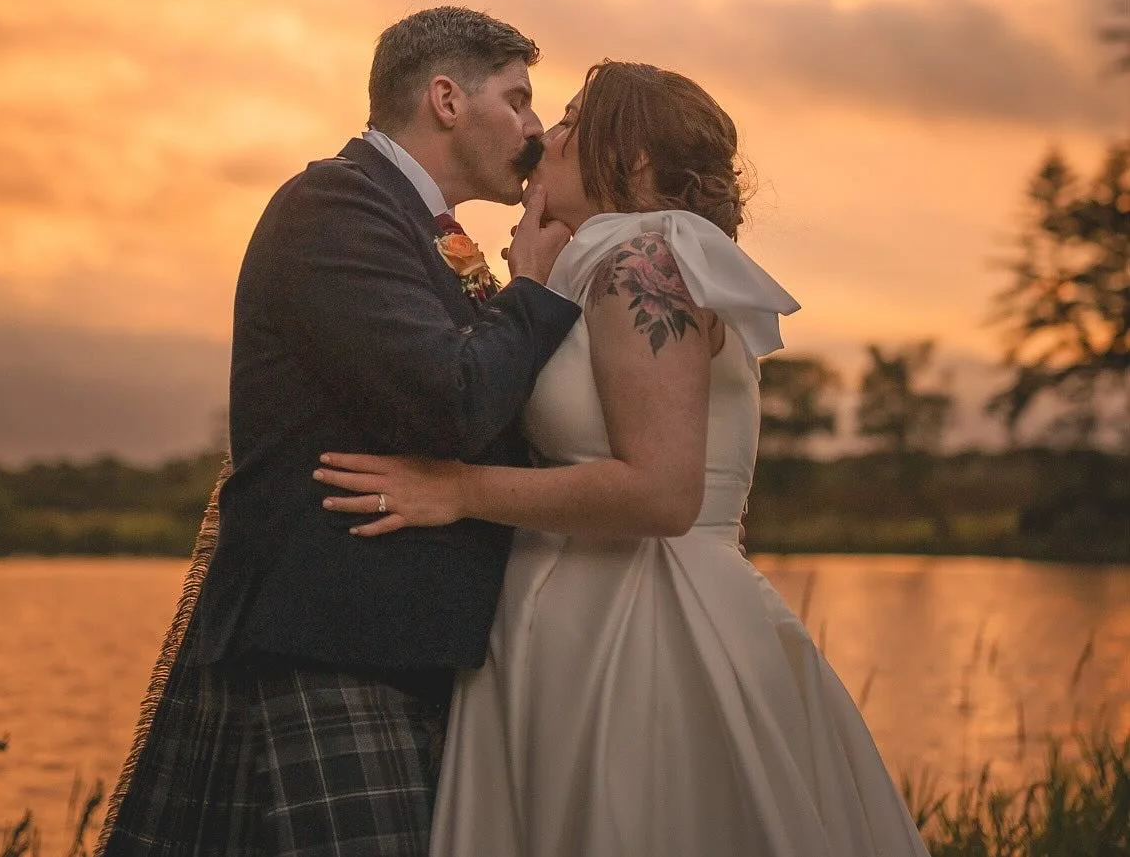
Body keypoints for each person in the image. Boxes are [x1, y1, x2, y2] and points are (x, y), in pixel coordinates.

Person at [316, 61, 932, 857]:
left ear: (635, 162)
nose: (548, 135)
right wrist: (525, 285)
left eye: (572, 117)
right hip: (573, 621)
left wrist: (458, 488)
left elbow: (663, 492)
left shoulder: (649, 259)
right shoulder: (604, 263)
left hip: (648, 629)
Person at [97, 6, 583, 857]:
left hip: (396, 648)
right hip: (330, 644)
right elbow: (452, 401)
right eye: (518, 99)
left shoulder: (423, 227)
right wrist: (533, 292)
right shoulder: (335, 205)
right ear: (445, 98)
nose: (535, 126)